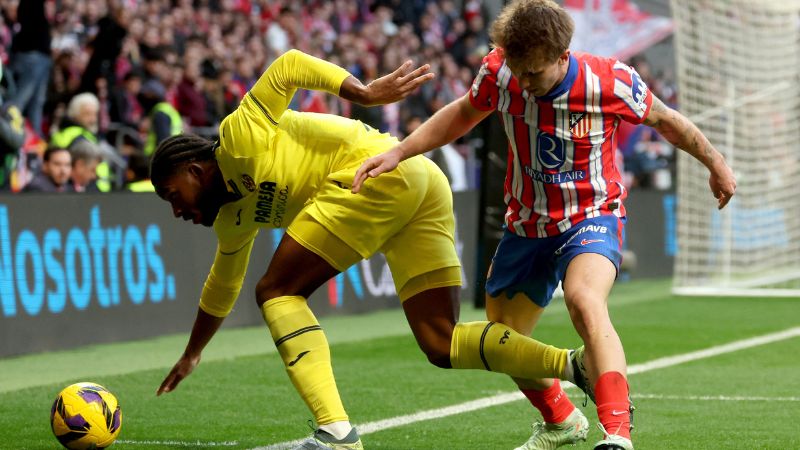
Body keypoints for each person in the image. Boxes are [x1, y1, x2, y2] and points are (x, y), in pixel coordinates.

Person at [151, 49, 584, 450]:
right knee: (442, 342)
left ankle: (336, 431)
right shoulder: (232, 220)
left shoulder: (237, 140)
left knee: (277, 291)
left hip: (377, 172)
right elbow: (221, 285)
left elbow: (287, 66)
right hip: (420, 183)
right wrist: (192, 353)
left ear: (194, 170)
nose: (177, 211)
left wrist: (363, 92)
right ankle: (574, 373)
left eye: (174, 195)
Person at [351, 1, 737, 449]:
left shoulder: (609, 81)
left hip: (592, 214)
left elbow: (668, 122)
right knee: (505, 339)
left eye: (533, 72)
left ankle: (617, 435)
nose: (524, 83)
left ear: (562, 56)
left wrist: (716, 163)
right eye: (518, 71)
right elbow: (462, 113)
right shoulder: (499, 72)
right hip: (527, 224)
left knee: (583, 300)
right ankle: (561, 421)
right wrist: (400, 151)